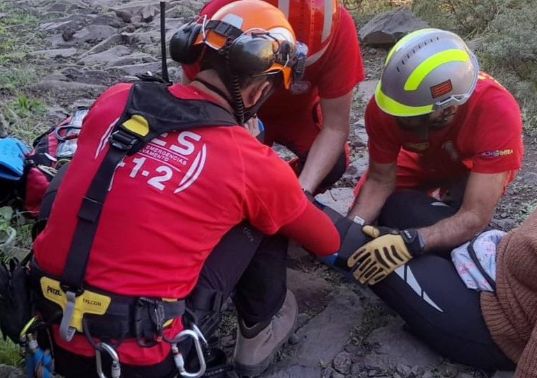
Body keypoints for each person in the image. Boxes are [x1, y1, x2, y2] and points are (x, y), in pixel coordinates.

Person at [29, 1, 340, 377]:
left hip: (48, 323)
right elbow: (328, 242)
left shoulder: (117, 99)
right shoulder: (253, 163)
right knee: (268, 216)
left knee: (82, 169)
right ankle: (260, 331)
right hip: (141, 355)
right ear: (259, 91)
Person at [347, 106, 537, 377]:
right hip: (496, 266)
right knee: (399, 205)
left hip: (495, 326)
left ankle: (313, 218)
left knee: (372, 254)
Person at [348, 28, 524, 261]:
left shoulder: (496, 112)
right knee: (375, 204)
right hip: (426, 157)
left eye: (410, 117)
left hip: (473, 166)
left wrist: (415, 241)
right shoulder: (389, 106)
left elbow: (474, 215)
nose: (397, 119)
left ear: (448, 109)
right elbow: (380, 180)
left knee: (459, 227)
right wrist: (350, 232)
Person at [181, 0, 365, 195]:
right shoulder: (222, 15)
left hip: (297, 115)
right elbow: (193, 108)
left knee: (332, 165)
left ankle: (281, 190)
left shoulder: (339, 27)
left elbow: (334, 128)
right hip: (232, 113)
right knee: (216, 175)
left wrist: (301, 193)